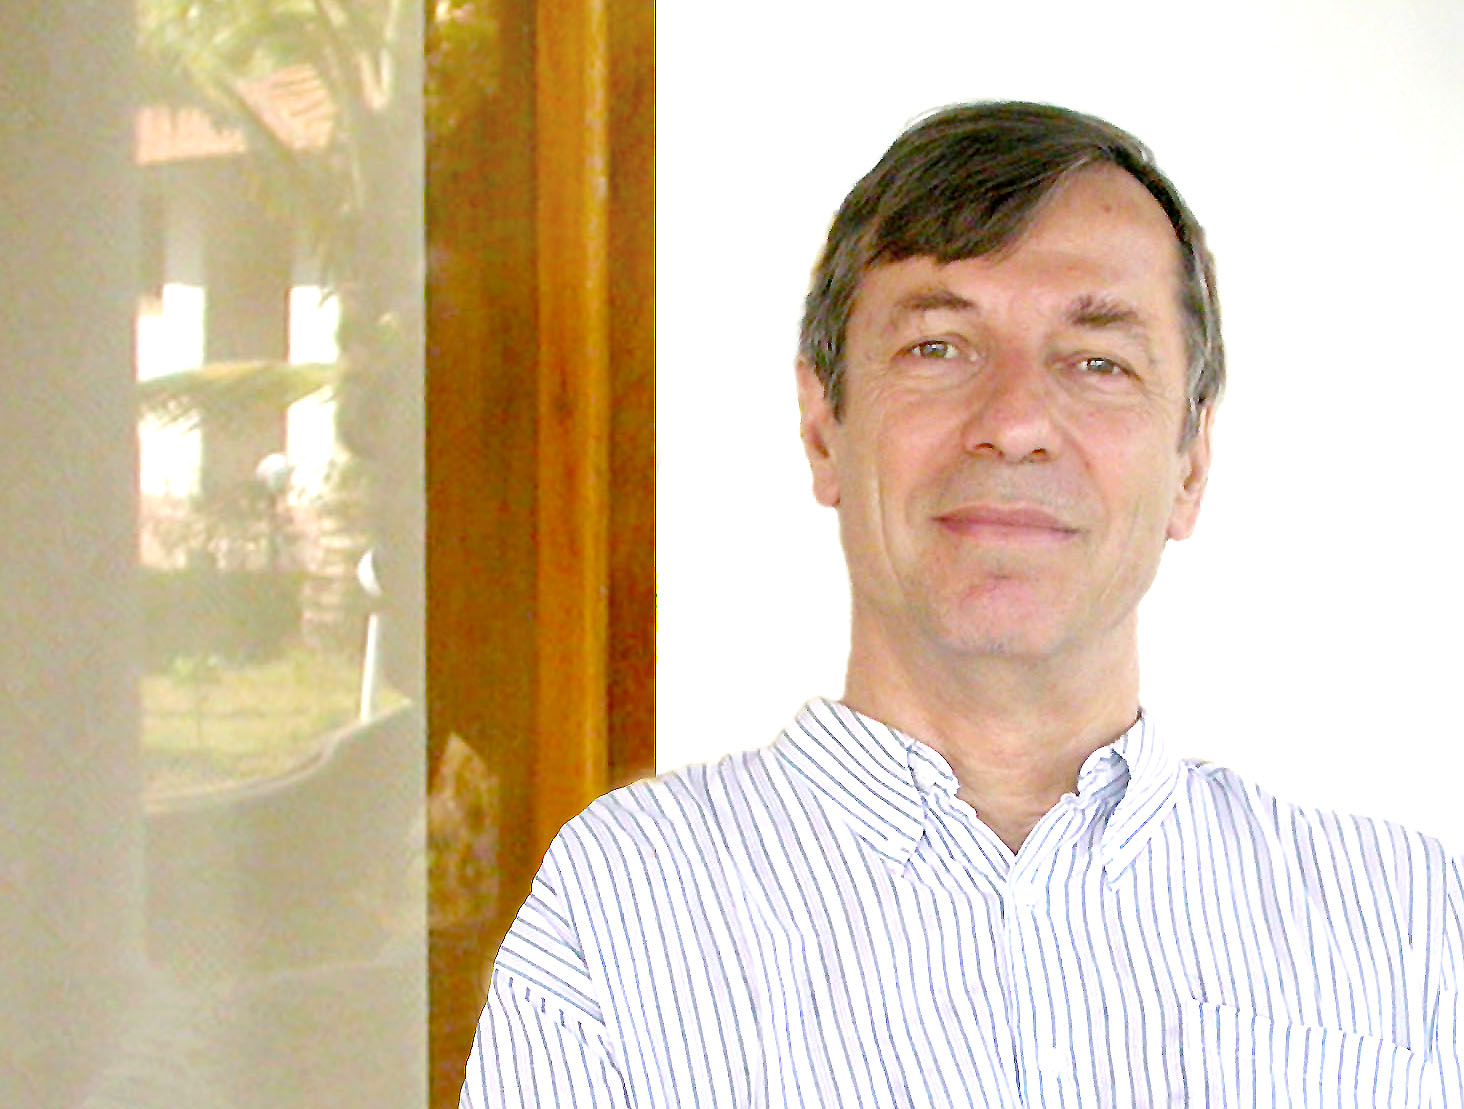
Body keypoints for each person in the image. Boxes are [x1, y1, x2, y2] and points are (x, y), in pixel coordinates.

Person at [460, 102, 1463, 1106]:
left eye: (1099, 361)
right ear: (822, 426)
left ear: (1191, 463)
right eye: (939, 347)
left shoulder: (1410, 922)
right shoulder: (618, 912)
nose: (1016, 422)